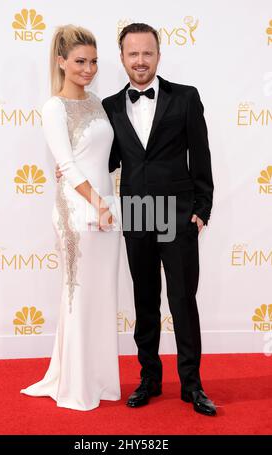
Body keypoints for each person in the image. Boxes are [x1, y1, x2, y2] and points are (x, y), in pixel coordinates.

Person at [56, 23, 217, 416]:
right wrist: (73, 166)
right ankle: (149, 379)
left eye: (147, 53)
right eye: (133, 54)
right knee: (145, 302)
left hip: (176, 213)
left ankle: (192, 385)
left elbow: (202, 154)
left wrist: (202, 208)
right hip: (137, 212)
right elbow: (108, 158)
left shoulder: (185, 98)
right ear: (123, 58)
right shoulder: (109, 106)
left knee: (182, 301)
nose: (140, 61)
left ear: (158, 55)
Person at [20, 25, 121, 411]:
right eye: (80, 61)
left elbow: (105, 157)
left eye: (94, 61)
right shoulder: (53, 107)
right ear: (61, 61)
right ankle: (76, 384)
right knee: (78, 291)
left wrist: (111, 202)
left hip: (107, 208)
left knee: (101, 293)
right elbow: (67, 164)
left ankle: (99, 380)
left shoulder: (97, 102)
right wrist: (98, 203)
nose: (89, 68)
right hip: (79, 210)